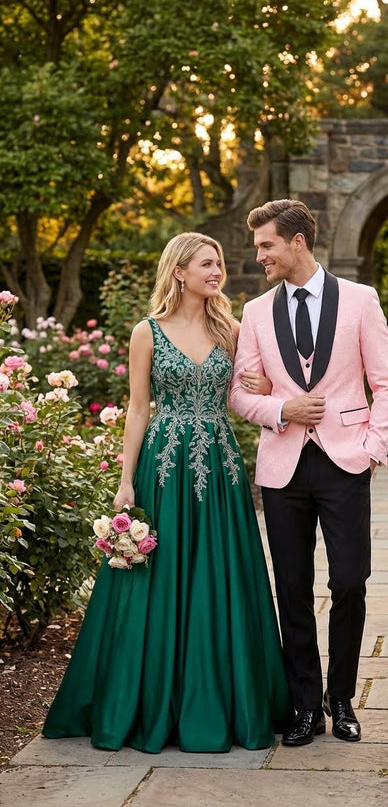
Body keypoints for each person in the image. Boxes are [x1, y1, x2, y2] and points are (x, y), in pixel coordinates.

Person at [43, 232, 291, 754]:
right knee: (159, 577)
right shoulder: (147, 332)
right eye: (207, 263)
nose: (217, 271)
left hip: (220, 466)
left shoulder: (232, 327)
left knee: (220, 574)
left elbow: (252, 390)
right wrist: (125, 479)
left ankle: (224, 700)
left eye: (219, 262)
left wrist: (265, 390)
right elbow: (138, 408)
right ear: (179, 271)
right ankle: (148, 700)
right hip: (162, 466)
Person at [229, 199, 388, 747]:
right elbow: (238, 391)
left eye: (266, 246)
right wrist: (281, 409)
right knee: (293, 589)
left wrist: (373, 449)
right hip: (283, 469)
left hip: (345, 462)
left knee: (350, 582)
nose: (260, 257)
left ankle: (342, 699)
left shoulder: (361, 300)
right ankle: (306, 706)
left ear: (297, 242)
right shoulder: (255, 312)